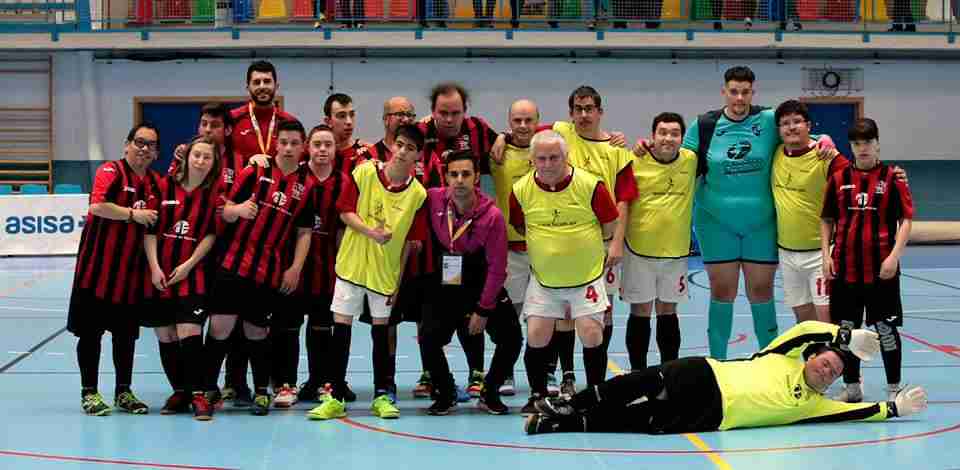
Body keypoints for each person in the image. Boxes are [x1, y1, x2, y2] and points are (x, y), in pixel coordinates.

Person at [635, 65, 836, 360]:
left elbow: (800, 134)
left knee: (761, 291)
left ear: (753, 93)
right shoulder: (704, 125)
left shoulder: (768, 120)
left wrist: (826, 139)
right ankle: (718, 364)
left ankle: (770, 362)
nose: (739, 98)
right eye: (734, 91)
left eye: (745, 92)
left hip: (761, 225)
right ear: (724, 92)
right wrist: (646, 146)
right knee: (722, 291)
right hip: (716, 225)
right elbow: (676, 157)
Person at [525, 321, 928, 435]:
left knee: (637, 421)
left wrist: (892, 408)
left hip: (713, 416)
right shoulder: (781, 357)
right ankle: (571, 401)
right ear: (813, 357)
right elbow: (804, 328)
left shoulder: (813, 405)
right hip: (705, 375)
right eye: (827, 361)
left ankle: (557, 424)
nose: (829, 369)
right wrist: (843, 337)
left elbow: (851, 415)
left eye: (836, 372)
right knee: (643, 381)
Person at [307, 124, 429, 421]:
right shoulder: (363, 172)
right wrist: (371, 233)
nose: (402, 152)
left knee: (381, 334)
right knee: (342, 332)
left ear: (418, 156)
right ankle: (334, 397)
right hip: (351, 266)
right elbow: (345, 211)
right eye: (399, 144)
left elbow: (409, 246)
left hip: (383, 274)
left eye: (410, 148)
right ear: (392, 146)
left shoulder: (418, 194)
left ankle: (382, 395)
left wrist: (397, 285)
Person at [204, 119, 316, 416]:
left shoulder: (306, 186)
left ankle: (263, 390)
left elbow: (305, 232)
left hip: (268, 270)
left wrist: (294, 268)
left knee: (257, 331)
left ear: (303, 146)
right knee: (220, 328)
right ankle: (207, 390)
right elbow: (223, 208)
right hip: (232, 263)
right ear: (275, 144)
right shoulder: (255, 171)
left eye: (295, 143)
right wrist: (236, 210)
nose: (289, 148)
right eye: (284, 143)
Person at [509, 130, 619, 413]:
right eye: (541, 158)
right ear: (532, 159)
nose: (547, 164)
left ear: (566, 156)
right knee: (536, 334)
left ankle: (595, 395)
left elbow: (609, 224)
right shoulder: (520, 190)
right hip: (545, 280)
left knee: (591, 333)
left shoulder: (590, 185)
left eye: (554, 157)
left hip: (587, 278)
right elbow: (521, 226)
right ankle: (537, 395)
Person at [419, 150, 524, 415]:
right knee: (428, 338)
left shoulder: (493, 216)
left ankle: (490, 392)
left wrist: (483, 309)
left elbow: (498, 269)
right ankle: (446, 391)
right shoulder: (432, 199)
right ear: (446, 177)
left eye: (466, 174)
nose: (459, 180)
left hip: (481, 282)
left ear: (477, 177)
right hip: (446, 283)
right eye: (453, 174)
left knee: (512, 337)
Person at [67, 123, 160, 416]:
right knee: (90, 335)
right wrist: (134, 214)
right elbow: (97, 206)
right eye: (139, 142)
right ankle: (89, 393)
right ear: (127, 145)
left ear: (156, 153)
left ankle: (124, 392)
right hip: (95, 273)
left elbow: (150, 230)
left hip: (129, 276)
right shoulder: (111, 171)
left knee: (125, 337)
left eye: (151, 145)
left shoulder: (155, 183)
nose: (144, 148)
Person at [222, 60, 298, 406]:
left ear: (276, 85)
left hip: (275, 230)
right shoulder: (234, 120)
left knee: (266, 315)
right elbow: (211, 148)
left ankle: (270, 383)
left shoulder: (287, 124)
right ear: (247, 85)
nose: (263, 86)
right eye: (257, 81)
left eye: (268, 81)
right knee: (233, 313)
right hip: (239, 223)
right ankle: (233, 382)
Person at [822, 118, 914, 403]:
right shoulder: (837, 179)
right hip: (845, 270)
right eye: (857, 143)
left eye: (867, 142)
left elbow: (906, 219)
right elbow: (826, 219)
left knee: (885, 329)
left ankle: (894, 388)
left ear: (877, 143)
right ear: (851, 146)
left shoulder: (893, 179)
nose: (862, 148)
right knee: (846, 331)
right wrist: (825, 254)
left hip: (881, 270)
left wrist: (894, 257)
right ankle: (852, 387)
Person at [143, 135, 222, 420]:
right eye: (196, 155)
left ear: (213, 164)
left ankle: (200, 395)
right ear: (187, 157)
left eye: (207, 157)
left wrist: (189, 265)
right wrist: (154, 267)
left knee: (189, 331)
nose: (200, 161)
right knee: (166, 335)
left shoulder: (212, 196)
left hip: (192, 275)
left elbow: (211, 234)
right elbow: (149, 231)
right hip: (159, 274)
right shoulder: (163, 187)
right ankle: (181, 391)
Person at [278, 125, 348, 406]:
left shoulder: (344, 183)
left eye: (327, 145)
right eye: (317, 144)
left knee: (321, 330)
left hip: (327, 270)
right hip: (292, 268)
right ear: (307, 146)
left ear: (335, 150)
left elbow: (346, 227)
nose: (322, 149)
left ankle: (321, 383)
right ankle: (286, 385)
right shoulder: (295, 178)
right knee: (288, 328)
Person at [621, 112, 695, 371]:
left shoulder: (691, 160)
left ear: (682, 138)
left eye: (675, 133)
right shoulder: (635, 160)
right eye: (662, 132)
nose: (668, 138)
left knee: (668, 313)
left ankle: (669, 372)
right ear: (652, 136)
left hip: (675, 253)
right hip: (638, 251)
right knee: (640, 312)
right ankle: (637, 374)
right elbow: (623, 203)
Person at [772, 100, 850, 324]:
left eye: (797, 121)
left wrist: (894, 177)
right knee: (803, 323)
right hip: (787, 253)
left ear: (808, 125)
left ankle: (834, 359)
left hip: (820, 254)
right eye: (785, 123)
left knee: (826, 321)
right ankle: (811, 360)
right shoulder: (776, 153)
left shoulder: (826, 156)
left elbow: (860, 177)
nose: (791, 127)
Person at [489, 99, 538, 397]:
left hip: (544, 246)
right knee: (511, 315)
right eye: (516, 121)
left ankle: (546, 372)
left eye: (528, 120)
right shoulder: (498, 153)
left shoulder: (549, 149)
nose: (522, 126)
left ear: (537, 122)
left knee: (546, 315)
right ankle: (505, 369)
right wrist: (500, 138)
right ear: (509, 122)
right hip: (508, 246)